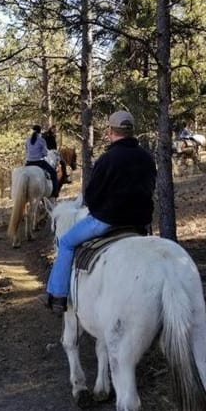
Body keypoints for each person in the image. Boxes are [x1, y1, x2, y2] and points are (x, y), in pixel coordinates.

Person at [39, 110, 156, 316]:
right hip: (140, 223)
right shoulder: (147, 158)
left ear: (111, 131)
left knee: (66, 242)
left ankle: (57, 295)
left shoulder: (107, 159)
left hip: (108, 221)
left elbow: (92, 198)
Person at [25, 125, 60, 198]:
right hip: (39, 162)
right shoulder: (41, 140)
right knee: (53, 173)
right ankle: (55, 192)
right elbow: (45, 153)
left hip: (28, 162)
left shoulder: (27, 139)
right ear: (40, 131)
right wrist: (41, 154)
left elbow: (27, 150)